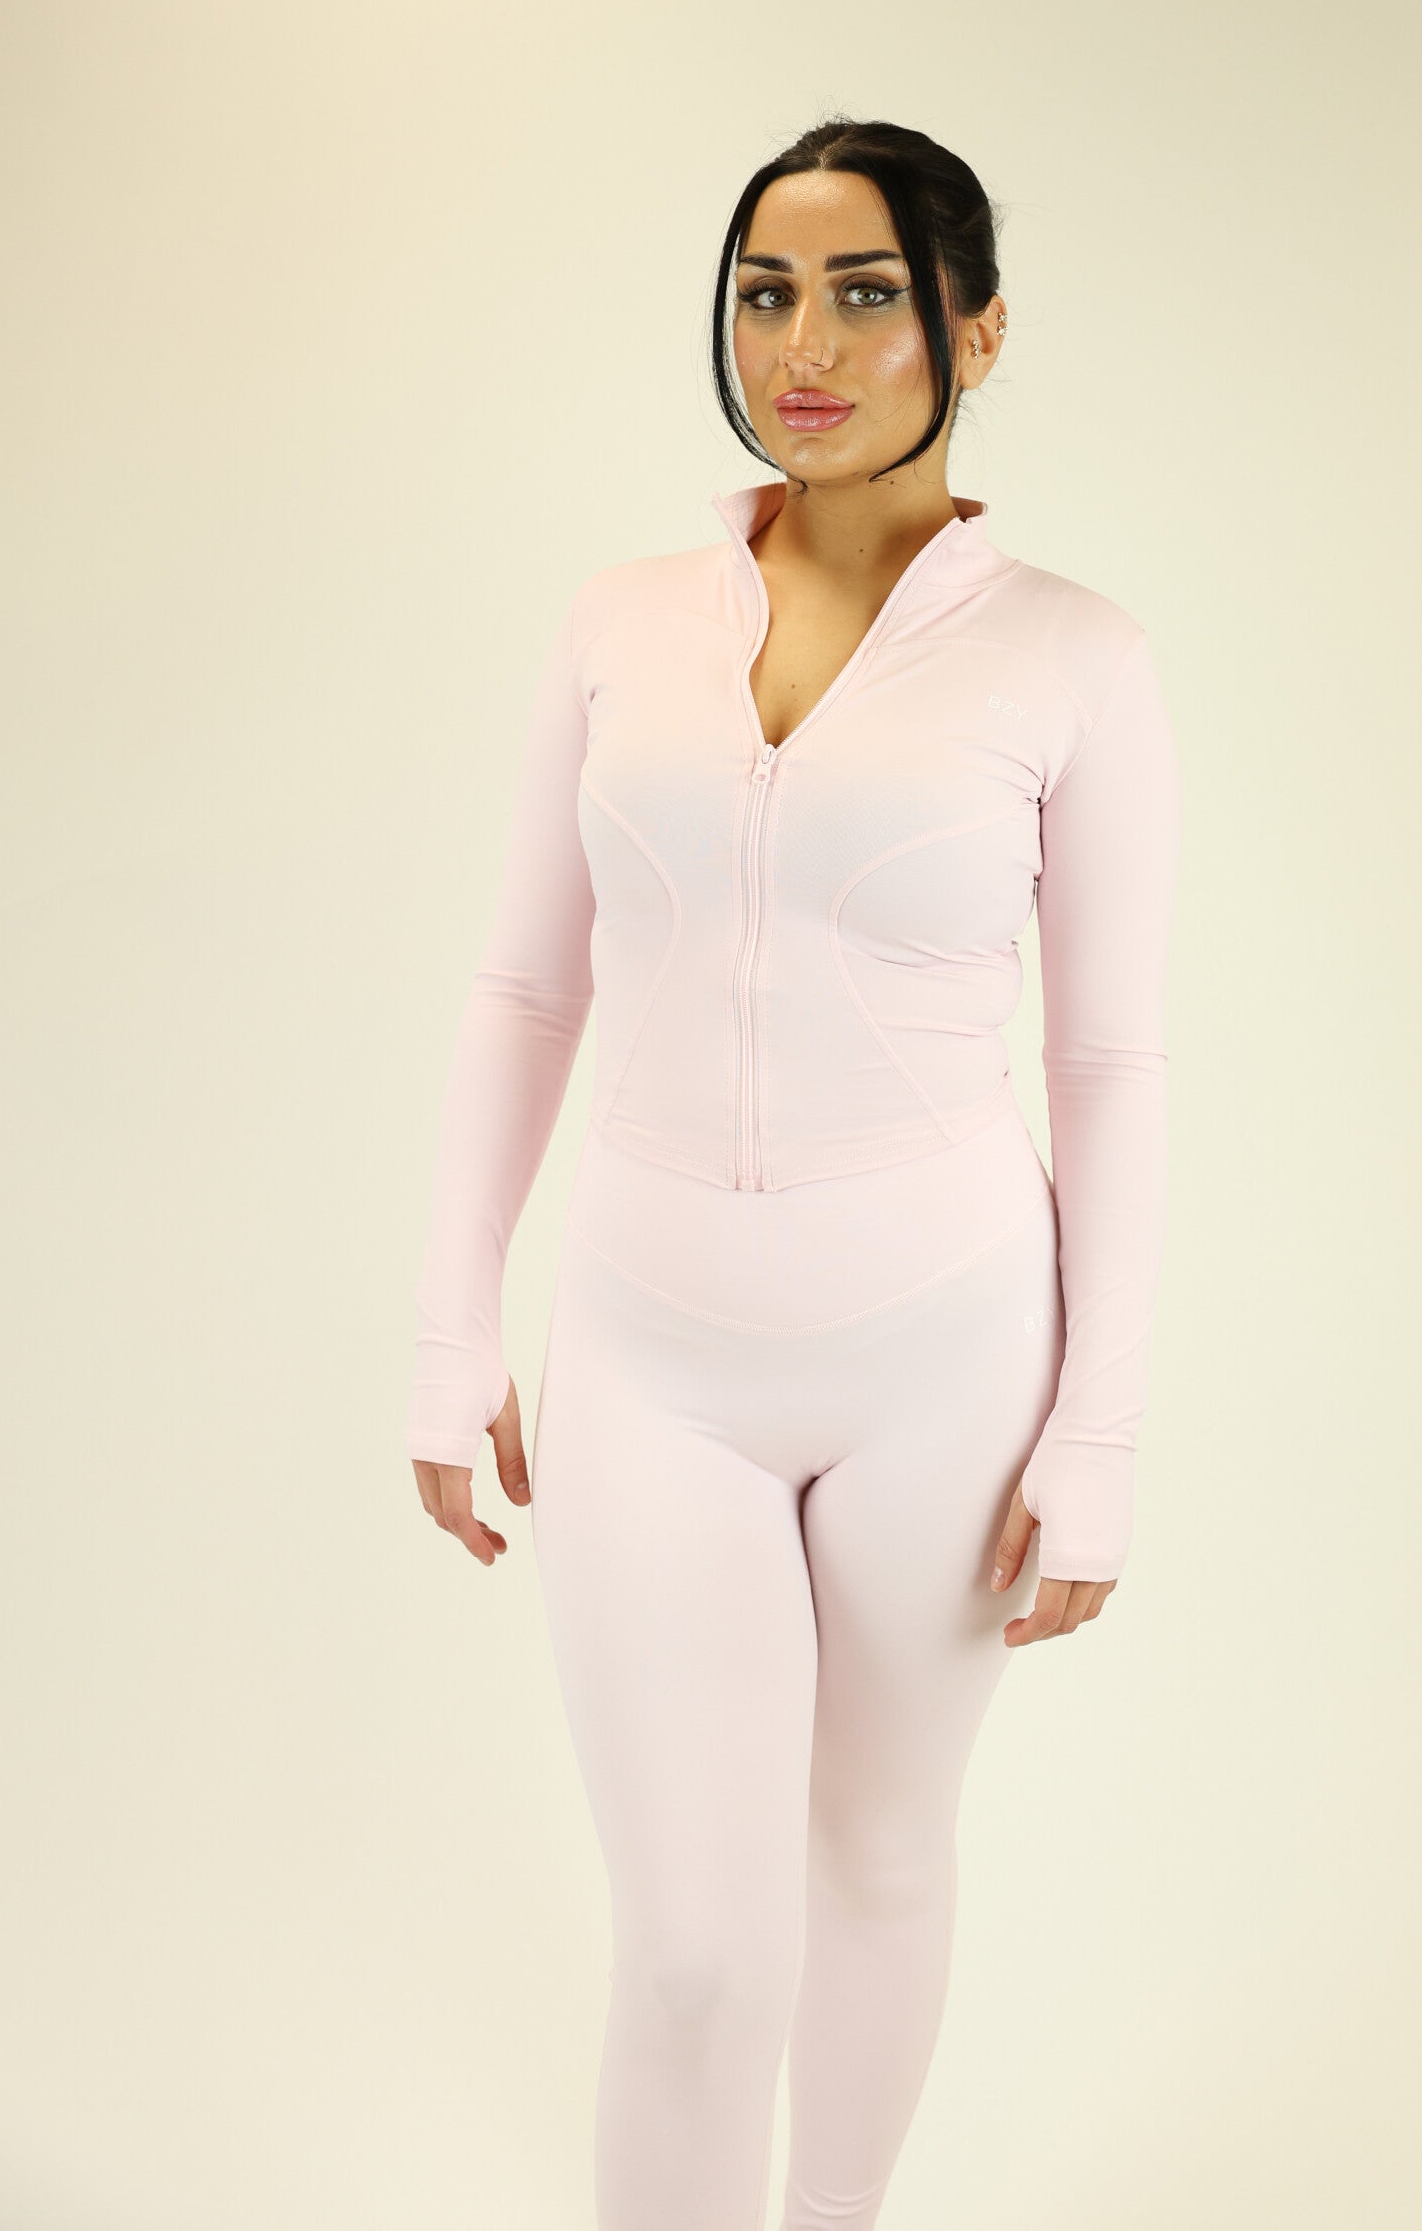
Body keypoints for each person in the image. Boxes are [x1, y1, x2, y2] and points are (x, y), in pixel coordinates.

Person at [404, 115, 1181, 2230]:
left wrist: (1101, 1427)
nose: (804, 345)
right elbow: (523, 988)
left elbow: (1110, 1062)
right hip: (650, 1350)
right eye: (766, 292)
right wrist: (451, 1327)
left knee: (880, 1861)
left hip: (951, 1353)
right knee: (688, 1948)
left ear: (978, 332)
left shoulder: (1075, 657)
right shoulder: (620, 622)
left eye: (865, 294)